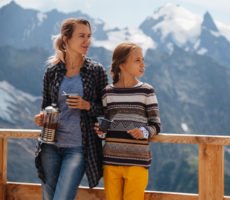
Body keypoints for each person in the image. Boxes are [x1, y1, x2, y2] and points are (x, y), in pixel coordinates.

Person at [34, 18, 108, 200]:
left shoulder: (96, 71)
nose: (87, 41)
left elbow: (108, 109)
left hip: (78, 147)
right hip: (50, 145)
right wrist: (42, 117)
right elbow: (46, 105)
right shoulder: (52, 71)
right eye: (81, 36)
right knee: (48, 197)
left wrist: (87, 105)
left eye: (89, 36)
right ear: (66, 39)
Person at [94, 42, 161, 200]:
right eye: (137, 60)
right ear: (122, 64)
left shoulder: (147, 91)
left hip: (137, 162)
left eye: (143, 59)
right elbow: (107, 124)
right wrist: (101, 132)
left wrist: (144, 132)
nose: (143, 64)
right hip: (111, 161)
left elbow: (156, 124)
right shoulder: (107, 93)